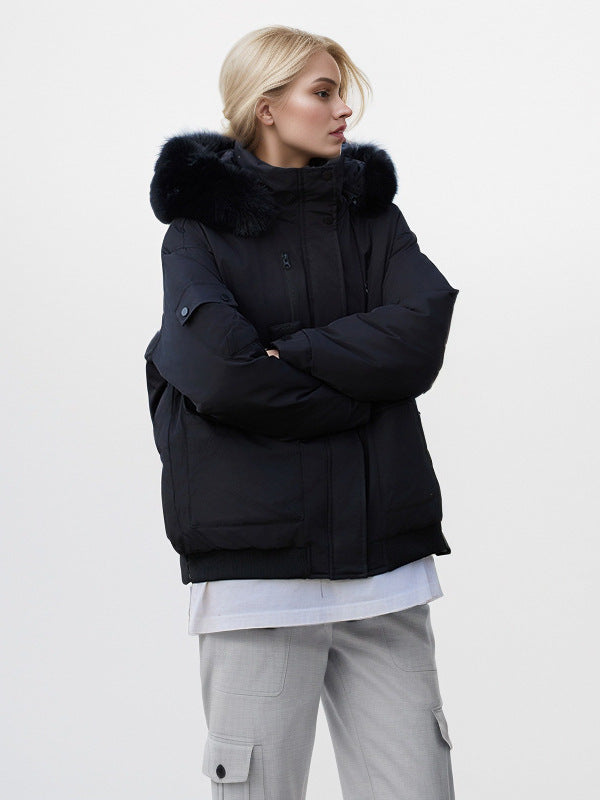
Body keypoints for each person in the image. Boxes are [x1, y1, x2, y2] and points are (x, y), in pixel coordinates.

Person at [144, 24, 459, 800]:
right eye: (323, 92)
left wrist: (292, 352)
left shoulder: (374, 219)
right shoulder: (195, 235)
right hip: (255, 582)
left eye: (342, 91)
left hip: (385, 572)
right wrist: (361, 382)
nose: (344, 109)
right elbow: (223, 373)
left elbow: (420, 335)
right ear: (266, 106)